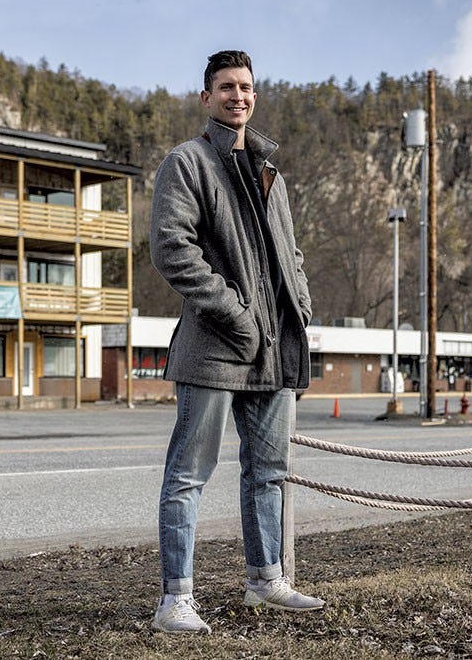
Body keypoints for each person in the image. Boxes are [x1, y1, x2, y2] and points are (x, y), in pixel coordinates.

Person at [149, 50, 324, 634]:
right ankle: (176, 600)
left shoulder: (273, 172)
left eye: (246, 87)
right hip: (214, 347)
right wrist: (238, 316)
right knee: (188, 475)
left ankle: (266, 581)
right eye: (226, 87)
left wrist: (299, 308)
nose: (238, 96)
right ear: (207, 97)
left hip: (276, 350)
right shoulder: (187, 162)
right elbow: (173, 250)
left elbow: (292, 256)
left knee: (269, 471)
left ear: (256, 94)